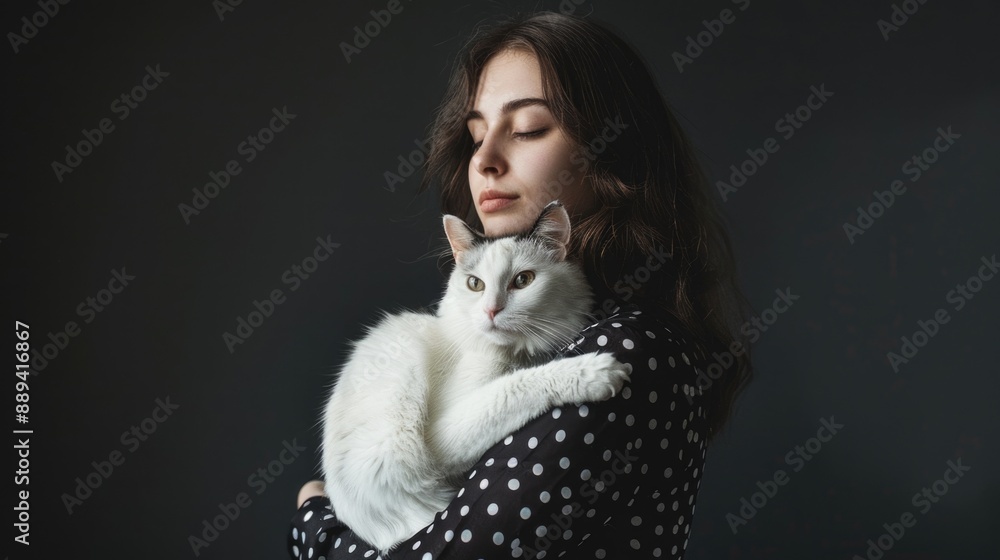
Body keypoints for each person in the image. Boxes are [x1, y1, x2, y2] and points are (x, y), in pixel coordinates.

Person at [288, 11, 753, 559]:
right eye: (476, 134)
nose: (484, 161)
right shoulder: (568, 335)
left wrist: (313, 523)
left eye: (529, 128)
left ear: (611, 146)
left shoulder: (631, 349)